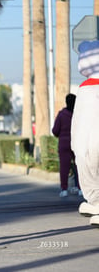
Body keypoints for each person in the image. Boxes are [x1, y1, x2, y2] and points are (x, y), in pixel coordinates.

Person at [72, 40, 99, 226]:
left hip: (87, 144)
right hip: (88, 144)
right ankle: (95, 202)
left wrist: (75, 145)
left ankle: (96, 201)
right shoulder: (85, 88)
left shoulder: (85, 90)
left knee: (88, 163)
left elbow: (79, 121)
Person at [52, 93, 81, 198]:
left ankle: (64, 190)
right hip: (77, 142)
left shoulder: (61, 115)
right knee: (79, 166)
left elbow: (55, 131)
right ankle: (80, 188)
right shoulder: (78, 115)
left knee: (64, 167)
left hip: (64, 144)